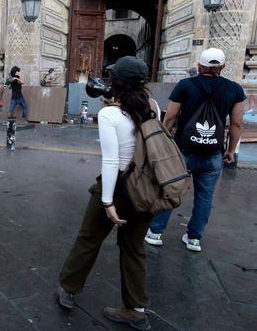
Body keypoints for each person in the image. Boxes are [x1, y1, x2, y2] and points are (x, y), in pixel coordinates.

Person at [57, 56, 158, 331]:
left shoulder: (109, 114)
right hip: (146, 189)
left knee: (88, 239)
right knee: (135, 250)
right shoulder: (154, 107)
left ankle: (68, 289)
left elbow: (112, 161)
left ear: (115, 83)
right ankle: (137, 309)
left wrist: (107, 201)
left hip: (117, 189)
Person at [144, 48, 245, 252]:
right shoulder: (234, 89)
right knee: (205, 197)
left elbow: (170, 117)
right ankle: (194, 239)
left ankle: (155, 232)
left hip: (184, 151)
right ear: (223, 67)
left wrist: (164, 142)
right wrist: (231, 151)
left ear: (199, 66)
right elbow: (237, 124)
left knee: (170, 188)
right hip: (213, 154)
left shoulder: (186, 85)